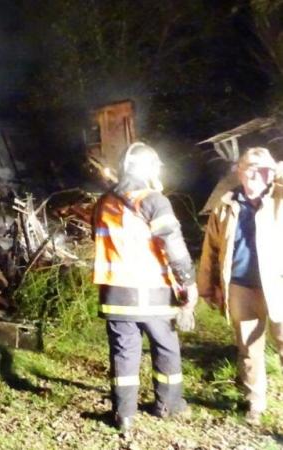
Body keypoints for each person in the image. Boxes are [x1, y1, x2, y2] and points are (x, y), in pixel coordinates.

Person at [92, 142, 198, 433]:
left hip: (115, 292)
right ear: (146, 168)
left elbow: (97, 237)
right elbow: (173, 245)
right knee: (165, 347)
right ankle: (168, 405)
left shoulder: (103, 202)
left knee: (123, 351)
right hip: (151, 291)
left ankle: (124, 413)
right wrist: (188, 281)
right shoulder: (153, 200)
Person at [198, 147, 283, 426]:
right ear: (239, 170)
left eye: (264, 169)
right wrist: (206, 287)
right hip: (240, 287)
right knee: (248, 349)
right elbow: (210, 247)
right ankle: (255, 403)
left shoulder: (279, 197)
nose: (258, 174)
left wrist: (273, 169)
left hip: (278, 285)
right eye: (251, 168)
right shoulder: (225, 204)